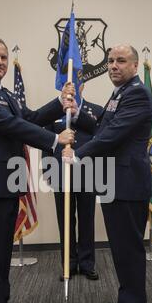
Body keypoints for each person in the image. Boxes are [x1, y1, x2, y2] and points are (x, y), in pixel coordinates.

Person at [0, 39, 76, 303]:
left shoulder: (8, 95)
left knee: (2, 249)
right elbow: (10, 125)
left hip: (9, 182)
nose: (0, 61)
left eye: (2, 57)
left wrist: (60, 101)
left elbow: (32, 118)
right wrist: (54, 139)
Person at [62, 45, 152, 303]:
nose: (114, 65)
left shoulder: (137, 93)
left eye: (121, 61)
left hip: (128, 184)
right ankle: (127, 298)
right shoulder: (120, 94)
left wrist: (78, 154)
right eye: (111, 60)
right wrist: (78, 115)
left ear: (135, 66)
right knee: (121, 247)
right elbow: (103, 128)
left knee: (128, 248)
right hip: (115, 183)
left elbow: (112, 136)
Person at [42, 85, 103, 281]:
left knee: (87, 220)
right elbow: (47, 144)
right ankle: (68, 264)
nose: (74, 87)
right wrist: (48, 171)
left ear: (84, 85)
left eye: (78, 83)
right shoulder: (54, 112)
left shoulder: (96, 110)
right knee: (65, 221)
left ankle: (87, 264)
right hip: (61, 174)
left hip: (87, 172)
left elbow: (102, 140)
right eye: (70, 84)